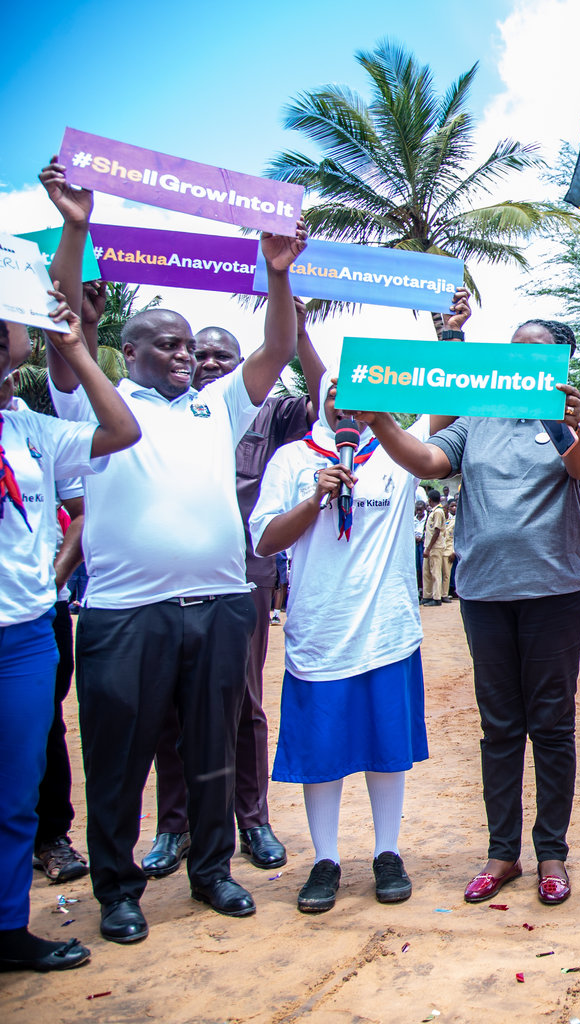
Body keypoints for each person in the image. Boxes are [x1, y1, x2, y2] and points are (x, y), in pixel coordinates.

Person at [42, 152, 308, 942]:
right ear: (129, 350)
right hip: (128, 615)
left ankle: (212, 871)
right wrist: (74, 226)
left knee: (214, 749)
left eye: (189, 345)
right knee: (120, 757)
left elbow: (275, 349)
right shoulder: (97, 399)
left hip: (223, 606)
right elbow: (62, 325)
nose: (184, 354)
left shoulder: (217, 406)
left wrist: (279, 274)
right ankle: (119, 891)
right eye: (165, 344)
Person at [366, 315, 580, 907]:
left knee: (551, 725)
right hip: (486, 595)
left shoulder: (573, 416)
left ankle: (552, 853)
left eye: (538, 352)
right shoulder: (476, 417)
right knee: (499, 727)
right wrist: (381, 420)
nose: (524, 359)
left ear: (561, 360)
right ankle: (502, 852)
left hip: (554, 593)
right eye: (515, 350)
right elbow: (428, 463)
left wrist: (559, 416)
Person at [142, 298, 323, 882]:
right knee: (171, 704)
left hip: (244, 576)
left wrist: (297, 327)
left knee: (243, 701)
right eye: (201, 356)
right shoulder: (170, 417)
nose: (209, 364)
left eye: (223, 355)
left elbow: (326, 398)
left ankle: (254, 819)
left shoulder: (267, 414)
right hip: (168, 579)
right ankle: (176, 825)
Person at [250, 373, 428, 913]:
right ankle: (326, 859)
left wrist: (451, 333)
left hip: (386, 630)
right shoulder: (290, 459)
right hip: (321, 631)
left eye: (353, 394)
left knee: (386, 748)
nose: (343, 403)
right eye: (332, 393)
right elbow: (263, 539)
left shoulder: (397, 448)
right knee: (322, 753)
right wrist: (313, 499)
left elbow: (446, 405)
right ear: (319, 402)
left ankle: (387, 852)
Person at [1, 294, 140, 971]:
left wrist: (75, 346)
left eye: (5, 324)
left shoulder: (30, 431)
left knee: (17, 790)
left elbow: (120, 429)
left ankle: (5, 928)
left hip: (23, 633)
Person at [422, 492, 449, 607]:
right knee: (427, 572)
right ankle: (427, 596)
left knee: (435, 572)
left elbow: (437, 531)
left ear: (429, 500)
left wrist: (428, 548)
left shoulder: (438, 512)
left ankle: (437, 597)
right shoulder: (434, 511)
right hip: (429, 546)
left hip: (435, 547)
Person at [444, 497, 458, 600]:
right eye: (451, 506)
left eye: (455, 506)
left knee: (453, 572)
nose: (454, 508)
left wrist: (454, 551)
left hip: (453, 549)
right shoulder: (445, 519)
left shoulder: (458, 518)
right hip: (443, 548)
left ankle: (454, 590)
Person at [412, 498, 427, 598]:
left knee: (423, 567)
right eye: (417, 510)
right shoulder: (413, 519)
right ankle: (419, 589)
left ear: (424, 509)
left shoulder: (427, 518)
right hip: (415, 543)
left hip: (423, 543)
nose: (419, 512)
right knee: (416, 567)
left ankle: (425, 589)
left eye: (420, 510)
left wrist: (421, 537)